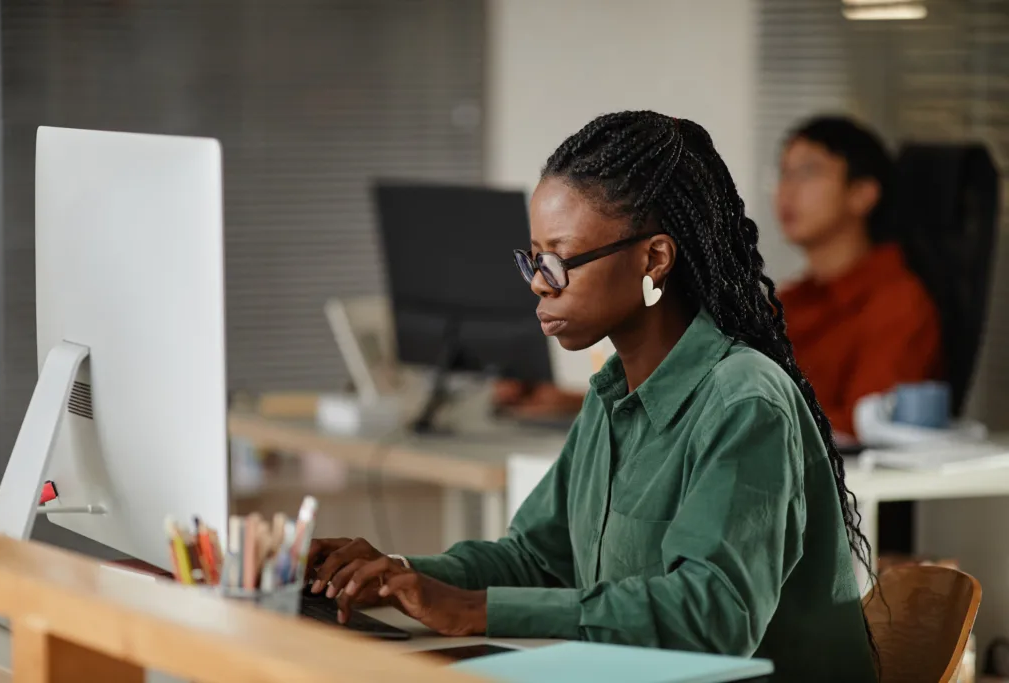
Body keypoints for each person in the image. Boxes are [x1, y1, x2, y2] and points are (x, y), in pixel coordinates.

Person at [307, 112, 877, 682]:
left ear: (653, 259)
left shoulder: (744, 401)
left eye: (558, 260)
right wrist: (397, 575)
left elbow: (712, 616)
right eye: (533, 258)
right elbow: (537, 560)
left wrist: (471, 610)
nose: (537, 282)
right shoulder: (611, 397)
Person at [775, 116, 942, 440]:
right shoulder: (791, 300)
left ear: (862, 194)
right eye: (784, 173)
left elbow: (864, 428)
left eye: (809, 172)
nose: (787, 190)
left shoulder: (897, 302)